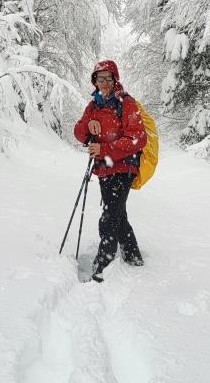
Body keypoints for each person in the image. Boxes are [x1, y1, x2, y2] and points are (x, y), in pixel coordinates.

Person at [73, 60, 147, 282]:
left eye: (108, 78)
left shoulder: (126, 103)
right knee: (117, 213)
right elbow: (78, 133)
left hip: (124, 168)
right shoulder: (93, 106)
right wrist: (89, 123)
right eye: (100, 78)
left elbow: (137, 138)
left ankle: (102, 264)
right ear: (95, 81)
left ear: (115, 79)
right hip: (104, 169)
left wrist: (104, 149)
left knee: (109, 217)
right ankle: (133, 255)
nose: (104, 82)